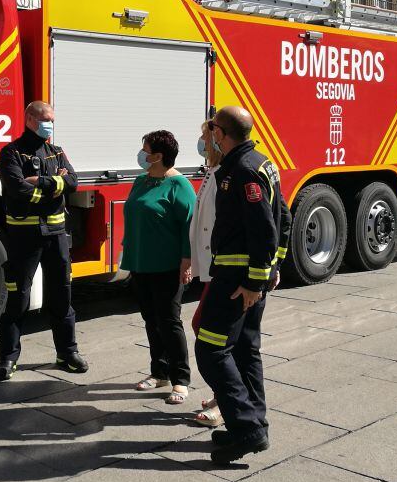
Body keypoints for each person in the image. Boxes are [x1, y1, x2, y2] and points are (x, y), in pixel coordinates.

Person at [195, 106, 291, 464]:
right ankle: (252, 423)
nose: (209, 136)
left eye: (212, 130)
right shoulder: (260, 162)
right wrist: (272, 267)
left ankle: (248, 430)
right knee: (244, 350)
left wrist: (255, 280)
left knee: (211, 350)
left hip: (237, 281)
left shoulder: (243, 170)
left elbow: (265, 227)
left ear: (221, 134)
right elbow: (285, 215)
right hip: (249, 279)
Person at [0, 101, 88, 381]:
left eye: (52, 119)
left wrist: (44, 184)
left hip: (56, 237)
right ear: (30, 119)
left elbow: (73, 181)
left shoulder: (56, 151)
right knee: (18, 298)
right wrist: (54, 188)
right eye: (46, 119)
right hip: (25, 238)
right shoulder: (11, 152)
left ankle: (67, 353)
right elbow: (17, 188)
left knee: (62, 296)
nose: (50, 124)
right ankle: (8, 359)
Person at [120, 130, 194, 404]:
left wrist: (187, 261)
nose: (142, 154)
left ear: (158, 156)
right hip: (141, 263)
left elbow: (189, 227)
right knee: (151, 319)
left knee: (169, 321)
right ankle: (159, 372)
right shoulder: (142, 181)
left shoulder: (179, 186)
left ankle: (180, 380)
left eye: (146, 149)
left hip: (168, 266)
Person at [187, 120, 223, 428]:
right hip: (213, 270)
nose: (201, 142)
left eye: (204, 137)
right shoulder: (212, 171)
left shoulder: (232, 174)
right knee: (209, 331)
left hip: (227, 273)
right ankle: (222, 395)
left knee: (212, 334)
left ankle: (224, 401)